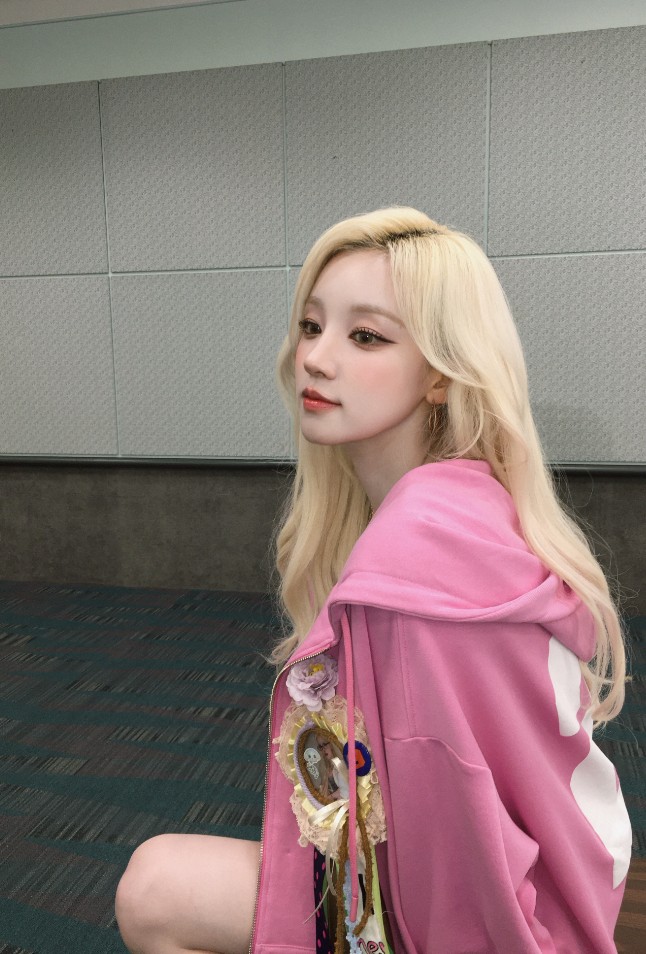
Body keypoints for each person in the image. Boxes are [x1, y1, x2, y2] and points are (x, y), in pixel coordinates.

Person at [115, 207, 632, 954]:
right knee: (163, 881)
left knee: (154, 887)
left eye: (366, 336)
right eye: (311, 325)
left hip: (508, 922)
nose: (316, 359)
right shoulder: (463, 504)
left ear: (441, 374)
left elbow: (462, 851)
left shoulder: (418, 559)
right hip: (544, 877)